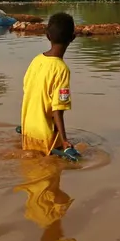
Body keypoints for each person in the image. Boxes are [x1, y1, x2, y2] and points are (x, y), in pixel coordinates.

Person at [20, 12, 80, 160]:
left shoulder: (36, 61)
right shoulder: (61, 69)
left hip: (28, 131)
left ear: (47, 36)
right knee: (49, 177)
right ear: (72, 38)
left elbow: (29, 92)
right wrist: (65, 142)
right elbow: (57, 109)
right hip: (45, 134)